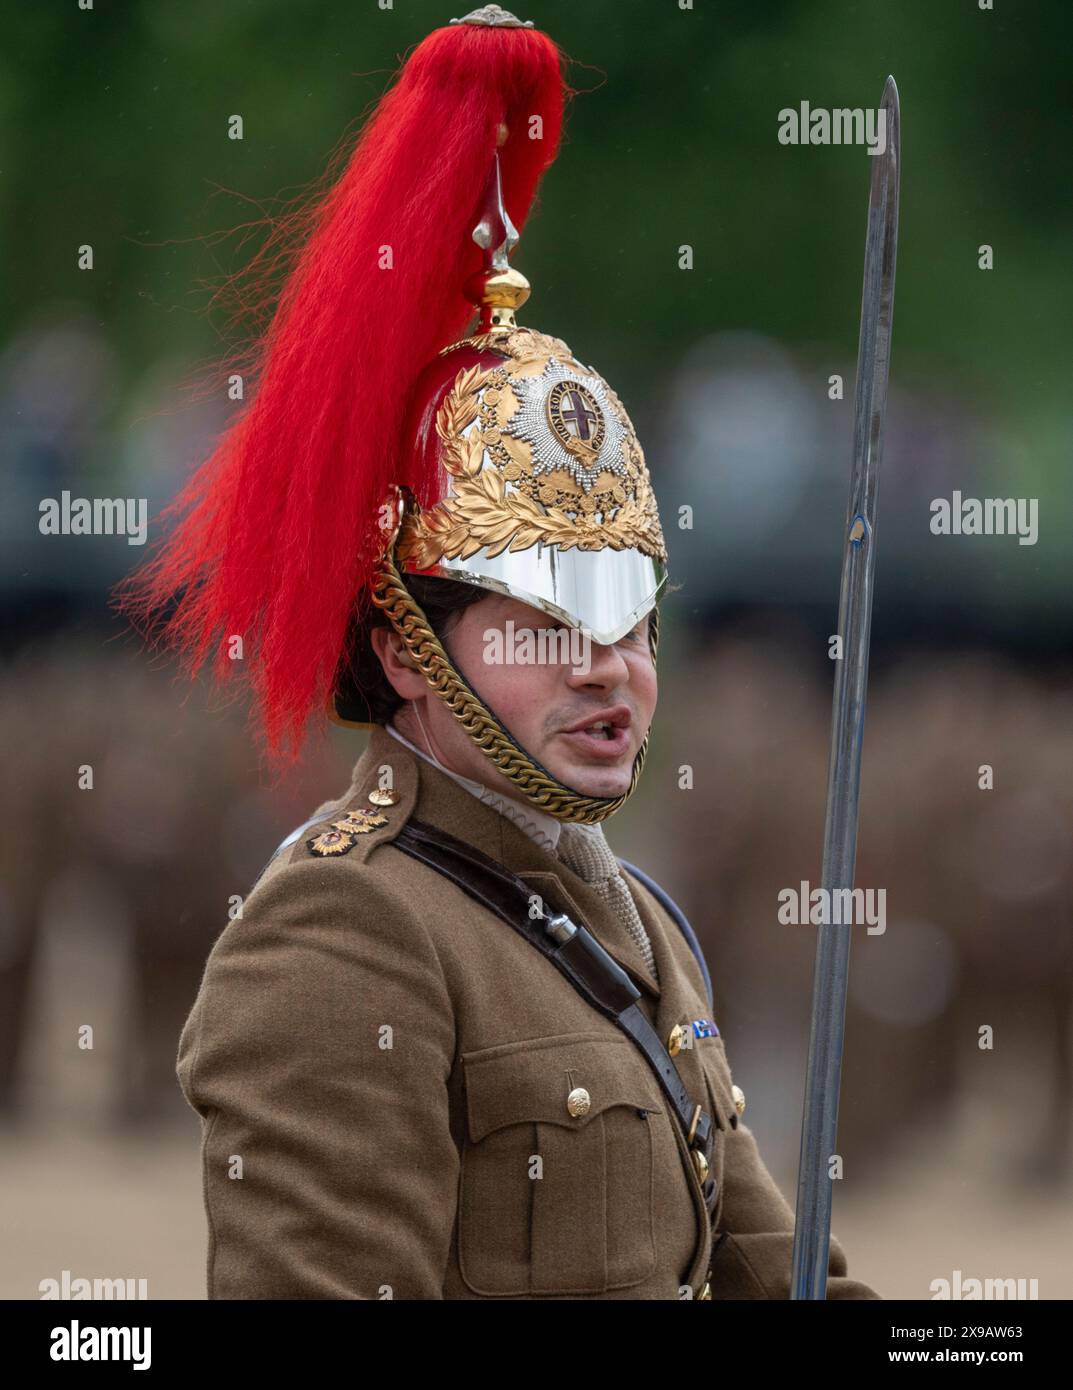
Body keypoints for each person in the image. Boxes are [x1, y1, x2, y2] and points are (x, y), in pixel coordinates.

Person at [120, 5, 880, 1300]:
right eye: (544, 618)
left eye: (630, 614)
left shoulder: (635, 915)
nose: (609, 664)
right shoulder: (339, 930)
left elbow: (773, 1272)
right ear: (405, 647)